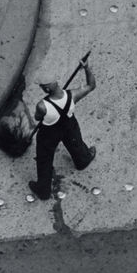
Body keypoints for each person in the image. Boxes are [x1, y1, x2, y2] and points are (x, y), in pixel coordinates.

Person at [29, 58, 97, 200]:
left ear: (46, 89)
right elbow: (91, 85)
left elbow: (37, 118)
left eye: (42, 87)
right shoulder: (73, 95)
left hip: (49, 133)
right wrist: (87, 68)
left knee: (44, 159)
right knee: (76, 143)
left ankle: (43, 190)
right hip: (69, 126)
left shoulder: (42, 106)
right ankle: (83, 160)